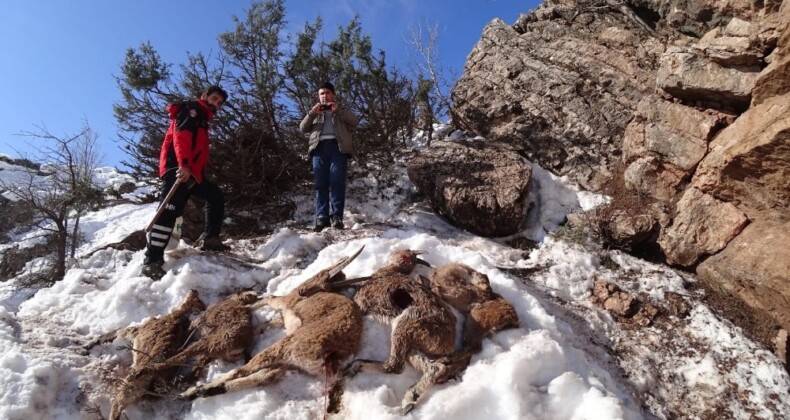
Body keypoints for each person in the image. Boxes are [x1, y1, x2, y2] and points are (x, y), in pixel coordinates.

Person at [141, 85, 229, 279]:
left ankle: (210, 238)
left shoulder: (202, 118)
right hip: (179, 169)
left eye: (220, 103)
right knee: (168, 212)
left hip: (192, 173)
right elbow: (182, 137)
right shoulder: (191, 109)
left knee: (215, 196)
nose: (216, 104)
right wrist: (184, 164)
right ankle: (151, 260)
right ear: (204, 96)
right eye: (214, 99)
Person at [300, 81, 359, 232]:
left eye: (327, 93)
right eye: (322, 94)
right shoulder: (314, 112)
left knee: (337, 181)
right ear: (318, 97)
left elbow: (355, 122)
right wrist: (313, 113)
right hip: (319, 149)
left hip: (338, 148)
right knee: (321, 184)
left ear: (333, 95)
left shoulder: (340, 110)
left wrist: (337, 111)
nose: (324, 96)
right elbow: (303, 128)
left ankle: (337, 216)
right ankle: (322, 217)